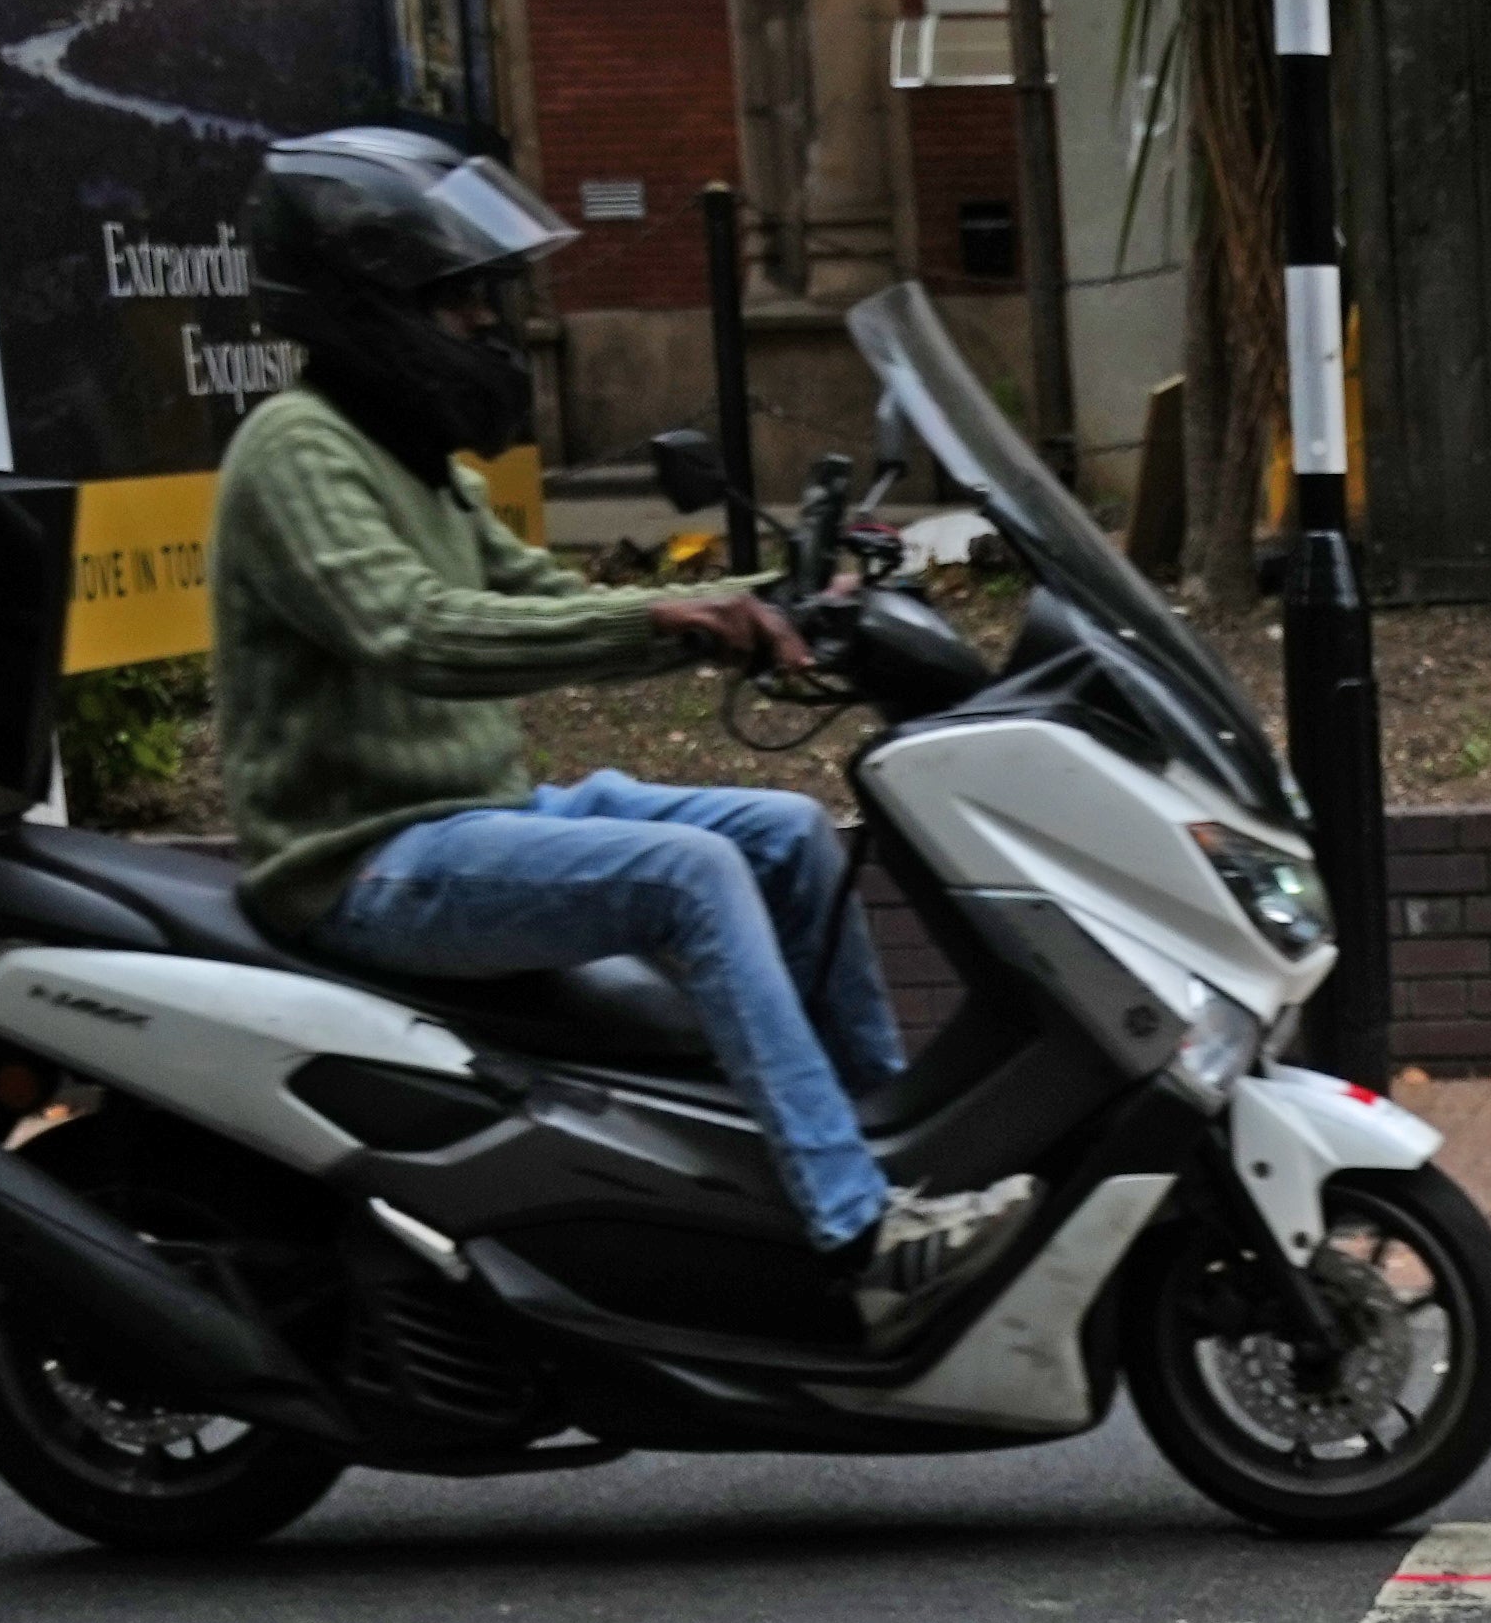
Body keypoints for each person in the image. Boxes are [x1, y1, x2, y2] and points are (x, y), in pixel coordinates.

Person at [210, 123, 1032, 1339]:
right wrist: (670, 616)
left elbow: (531, 595)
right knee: (690, 874)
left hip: (470, 823)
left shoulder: (416, 463)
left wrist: (750, 605)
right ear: (365, 308)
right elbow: (418, 630)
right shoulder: (294, 453)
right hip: (362, 860)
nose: (492, 328)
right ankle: (857, 1234)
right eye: (463, 304)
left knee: (791, 831)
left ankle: (868, 1150)